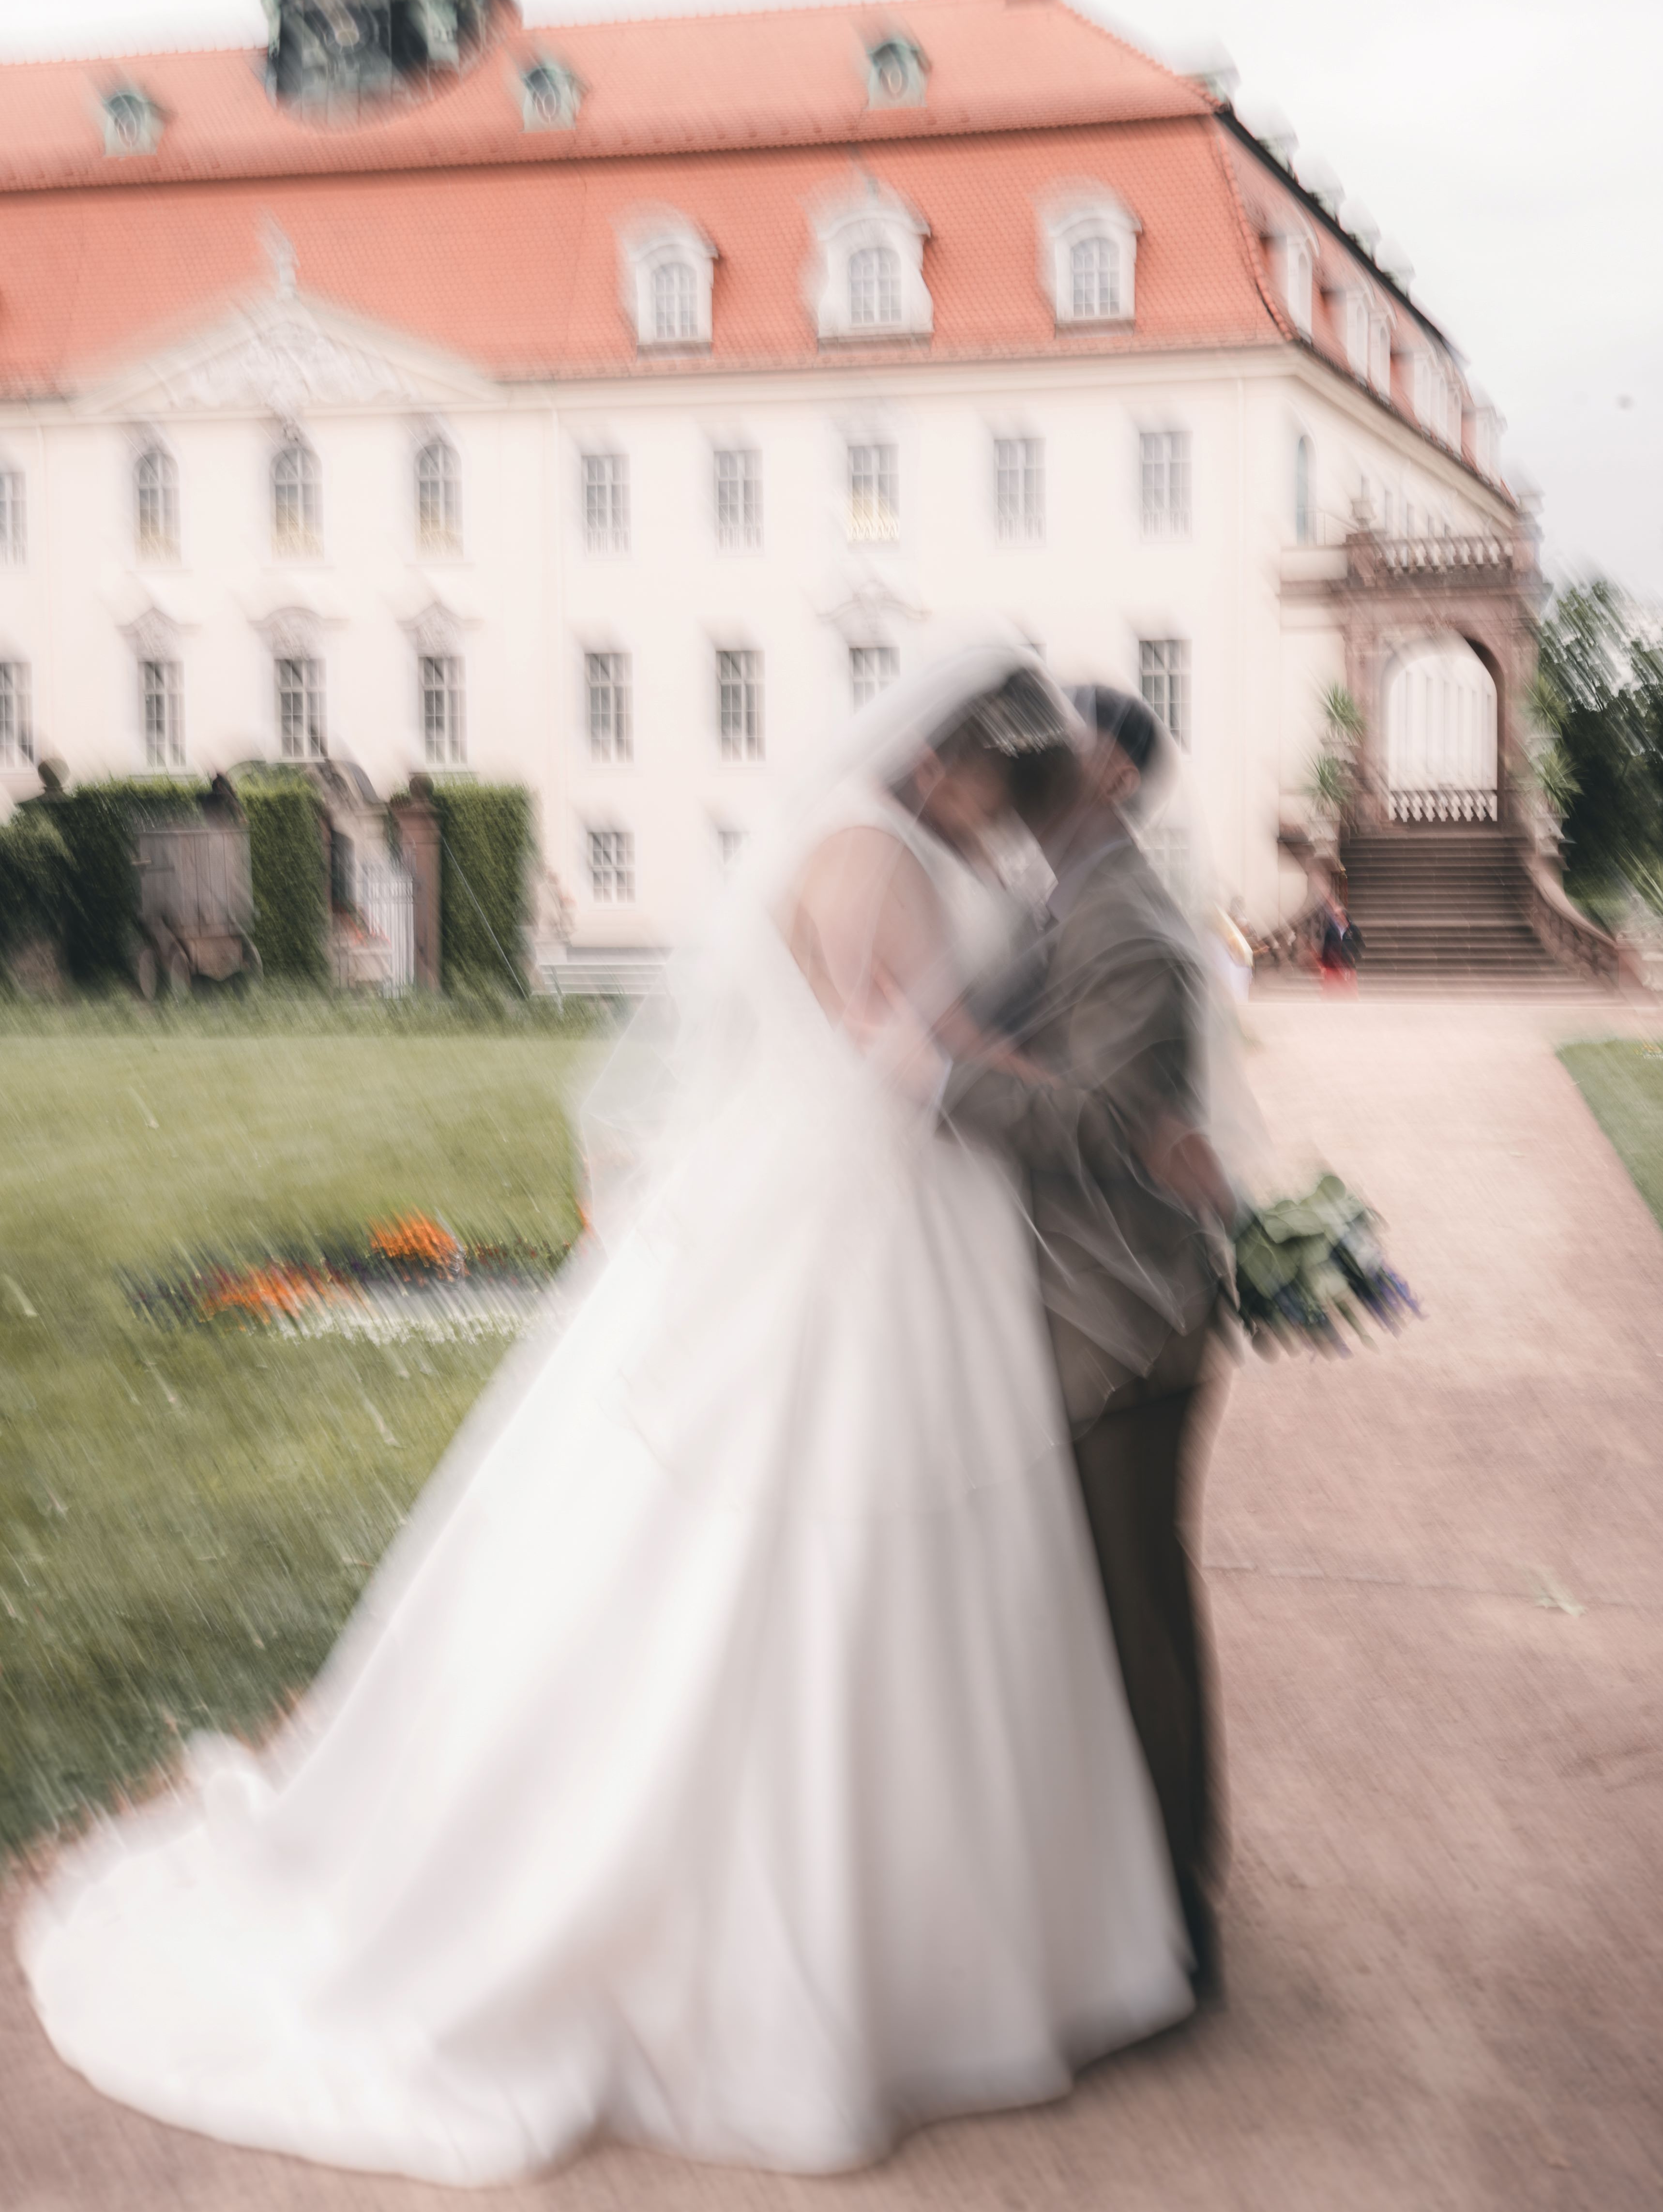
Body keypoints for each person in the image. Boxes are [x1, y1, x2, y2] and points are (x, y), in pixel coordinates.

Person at [21, 647, 1196, 2188]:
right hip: (871, 1213)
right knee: (810, 1543)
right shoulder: (880, 849)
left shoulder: (884, 835)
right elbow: (901, 1044)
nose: (1014, 800)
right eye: (1000, 771)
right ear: (951, 760)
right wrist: (995, 1065)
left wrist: (993, 1062)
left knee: (840, 1546)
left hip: (867, 1207)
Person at [941, 686, 1234, 1996]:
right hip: (1100, 1306)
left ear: (1089, 778)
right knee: (1139, 1610)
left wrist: (934, 1071)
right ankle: (1177, 1884)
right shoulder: (1066, 894)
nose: (986, 789)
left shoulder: (1127, 919)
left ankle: (1179, 1930)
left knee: (1134, 1628)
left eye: (1003, 771)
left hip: (1122, 1323)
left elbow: (1103, 1126)